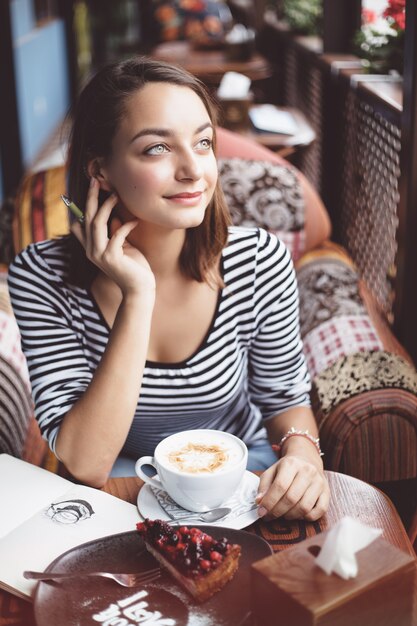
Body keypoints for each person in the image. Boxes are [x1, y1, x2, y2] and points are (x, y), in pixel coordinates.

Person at [8, 56, 329, 521]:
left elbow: (285, 400)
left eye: (203, 143)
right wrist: (137, 296)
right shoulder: (41, 276)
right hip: (120, 489)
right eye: (157, 148)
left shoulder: (259, 259)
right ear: (100, 170)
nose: (193, 170)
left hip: (242, 483)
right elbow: (86, 462)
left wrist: (303, 457)